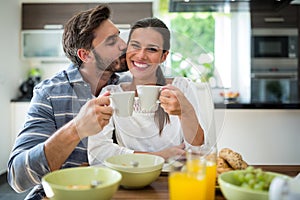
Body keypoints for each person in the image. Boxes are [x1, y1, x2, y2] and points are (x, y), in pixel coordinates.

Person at [7, 4, 128, 199]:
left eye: (119, 36)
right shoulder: (49, 93)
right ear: (85, 55)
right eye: (112, 41)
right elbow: (17, 177)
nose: (124, 45)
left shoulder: (127, 89)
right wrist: (77, 128)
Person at [88, 17, 216, 166]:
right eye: (135, 46)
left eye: (152, 49)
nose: (141, 55)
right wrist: (158, 156)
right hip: (130, 178)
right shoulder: (112, 93)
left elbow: (199, 150)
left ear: (164, 56)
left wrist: (185, 111)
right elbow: (97, 154)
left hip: (174, 178)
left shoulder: (181, 87)